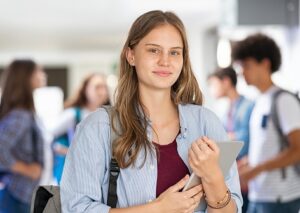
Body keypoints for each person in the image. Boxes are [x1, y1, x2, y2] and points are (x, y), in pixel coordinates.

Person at [61, 10, 242, 213]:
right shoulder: (98, 127)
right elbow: (76, 208)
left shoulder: (206, 123)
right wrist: (157, 209)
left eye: (174, 52)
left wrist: (213, 177)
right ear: (131, 55)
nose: (165, 61)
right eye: (154, 50)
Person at [232, 33, 300, 213]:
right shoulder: (260, 101)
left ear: (265, 64)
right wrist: (249, 163)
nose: (241, 72)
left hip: (280, 198)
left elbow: (297, 150)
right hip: (260, 194)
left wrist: (257, 169)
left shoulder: (283, 100)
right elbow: (268, 147)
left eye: (246, 65)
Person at [0, 59, 45, 213]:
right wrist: (26, 169)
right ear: (25, 78)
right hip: (16, 194)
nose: (42, 75)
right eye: (38, 72)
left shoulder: (26, 113)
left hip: (22, 195)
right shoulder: (20, 116)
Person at [50, 73, 110, 184]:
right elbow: (46, 136)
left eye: (104, 87)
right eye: (97, 87)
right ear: (85, 89)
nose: (102, 92)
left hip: (96, 177)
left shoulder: (108, 117)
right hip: (73, 177)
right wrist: (68, 151)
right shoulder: (73, 115)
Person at [208, 67, 254, 212]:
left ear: (226, 82)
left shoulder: (248, 106)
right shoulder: (225, 108)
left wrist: (227, 138)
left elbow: (245, 141)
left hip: (246, 171)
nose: (211, 90)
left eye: (213, 85)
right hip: (233, 169)